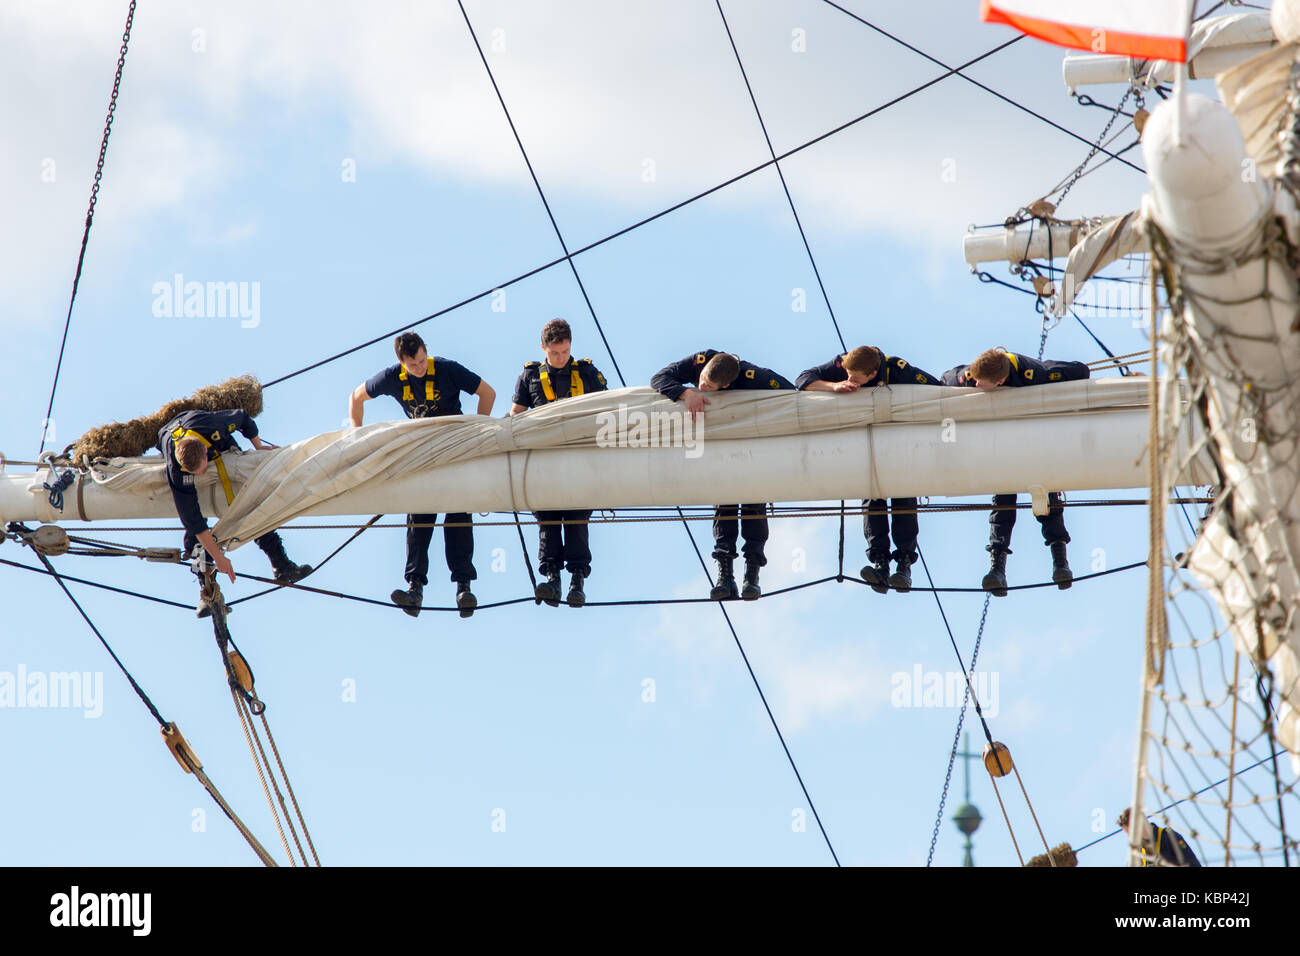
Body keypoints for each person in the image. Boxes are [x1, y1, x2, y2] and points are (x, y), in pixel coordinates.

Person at [349, 331, 496, 618]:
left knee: (458, 516)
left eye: (421, 360)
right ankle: (414, 590)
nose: (419, 368)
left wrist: (476, 431)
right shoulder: (392, 377)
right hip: (421, 454)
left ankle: (463, 587)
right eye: (412, 365)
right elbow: (356, 397)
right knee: (418, 517)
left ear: (426, 350)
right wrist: (356, 435)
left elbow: (487, 393)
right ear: (401, 363)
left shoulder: (447, 369)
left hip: (454, 451)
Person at [941, 347, 1090, 595]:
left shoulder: (1036, 373)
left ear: (1000, 381)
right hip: (1004, 449)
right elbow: (945, 378)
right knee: (1003, 505)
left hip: (1036, 446)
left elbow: (1080, 370)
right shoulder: (972, 374)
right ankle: (997, 570)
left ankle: (1060, 564)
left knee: (1048, 501)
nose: (975, 385)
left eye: (981, 383)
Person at [651, 349, 795, 600]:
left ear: (727, 385)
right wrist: (686, 392)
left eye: (708, 386)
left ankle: (752, 575)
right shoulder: (701, 361)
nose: (701, 385)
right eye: (702, 379)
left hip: (752, 451)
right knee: (725, 506)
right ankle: (725, 577)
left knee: (754, 505)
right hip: (721, 454)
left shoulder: (753, 377)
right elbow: (659, 378)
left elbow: (790, 392)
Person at [797, 345, 941, 593]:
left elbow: (937, 388)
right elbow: (802, 380)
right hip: (869, 451)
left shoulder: (898, 370)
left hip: (900, 448)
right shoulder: (842, 365)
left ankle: (904, 566)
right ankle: (879, 563)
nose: (850, 379)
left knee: (903, 498)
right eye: (848, 374)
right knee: (872, 499)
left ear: (873, 374)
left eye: (855, 378)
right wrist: (835, 387)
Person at [159, 408, 312, 617]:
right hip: (168, 435)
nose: (201, 474)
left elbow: (243, 418)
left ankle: (282, 566)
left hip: (212, 439)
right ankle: (206, 591)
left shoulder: (213, 426)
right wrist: (218, 557)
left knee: (248, 501)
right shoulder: (178, 471)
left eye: (201, 469)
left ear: (205, 451)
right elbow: (193, 521)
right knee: (194, 531)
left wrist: (259, 448)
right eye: (195, 474)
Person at [509, 318, 609, 608]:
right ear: (543, 348)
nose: (561, 358)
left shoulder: (587, 372)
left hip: (580, 460)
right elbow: (516, 414)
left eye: (565, 352)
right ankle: (552, 579)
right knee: (548, 520)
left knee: (577, 519)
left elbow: (609, 407)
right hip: (544, 462)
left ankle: (577, 581)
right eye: (554, 353)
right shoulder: (529, 376)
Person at [1117, 808, 1202, 867]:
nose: (1129, 837)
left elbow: (1193, 863)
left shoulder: (1168, 836)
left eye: (1130, 832)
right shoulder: (1136, 853)